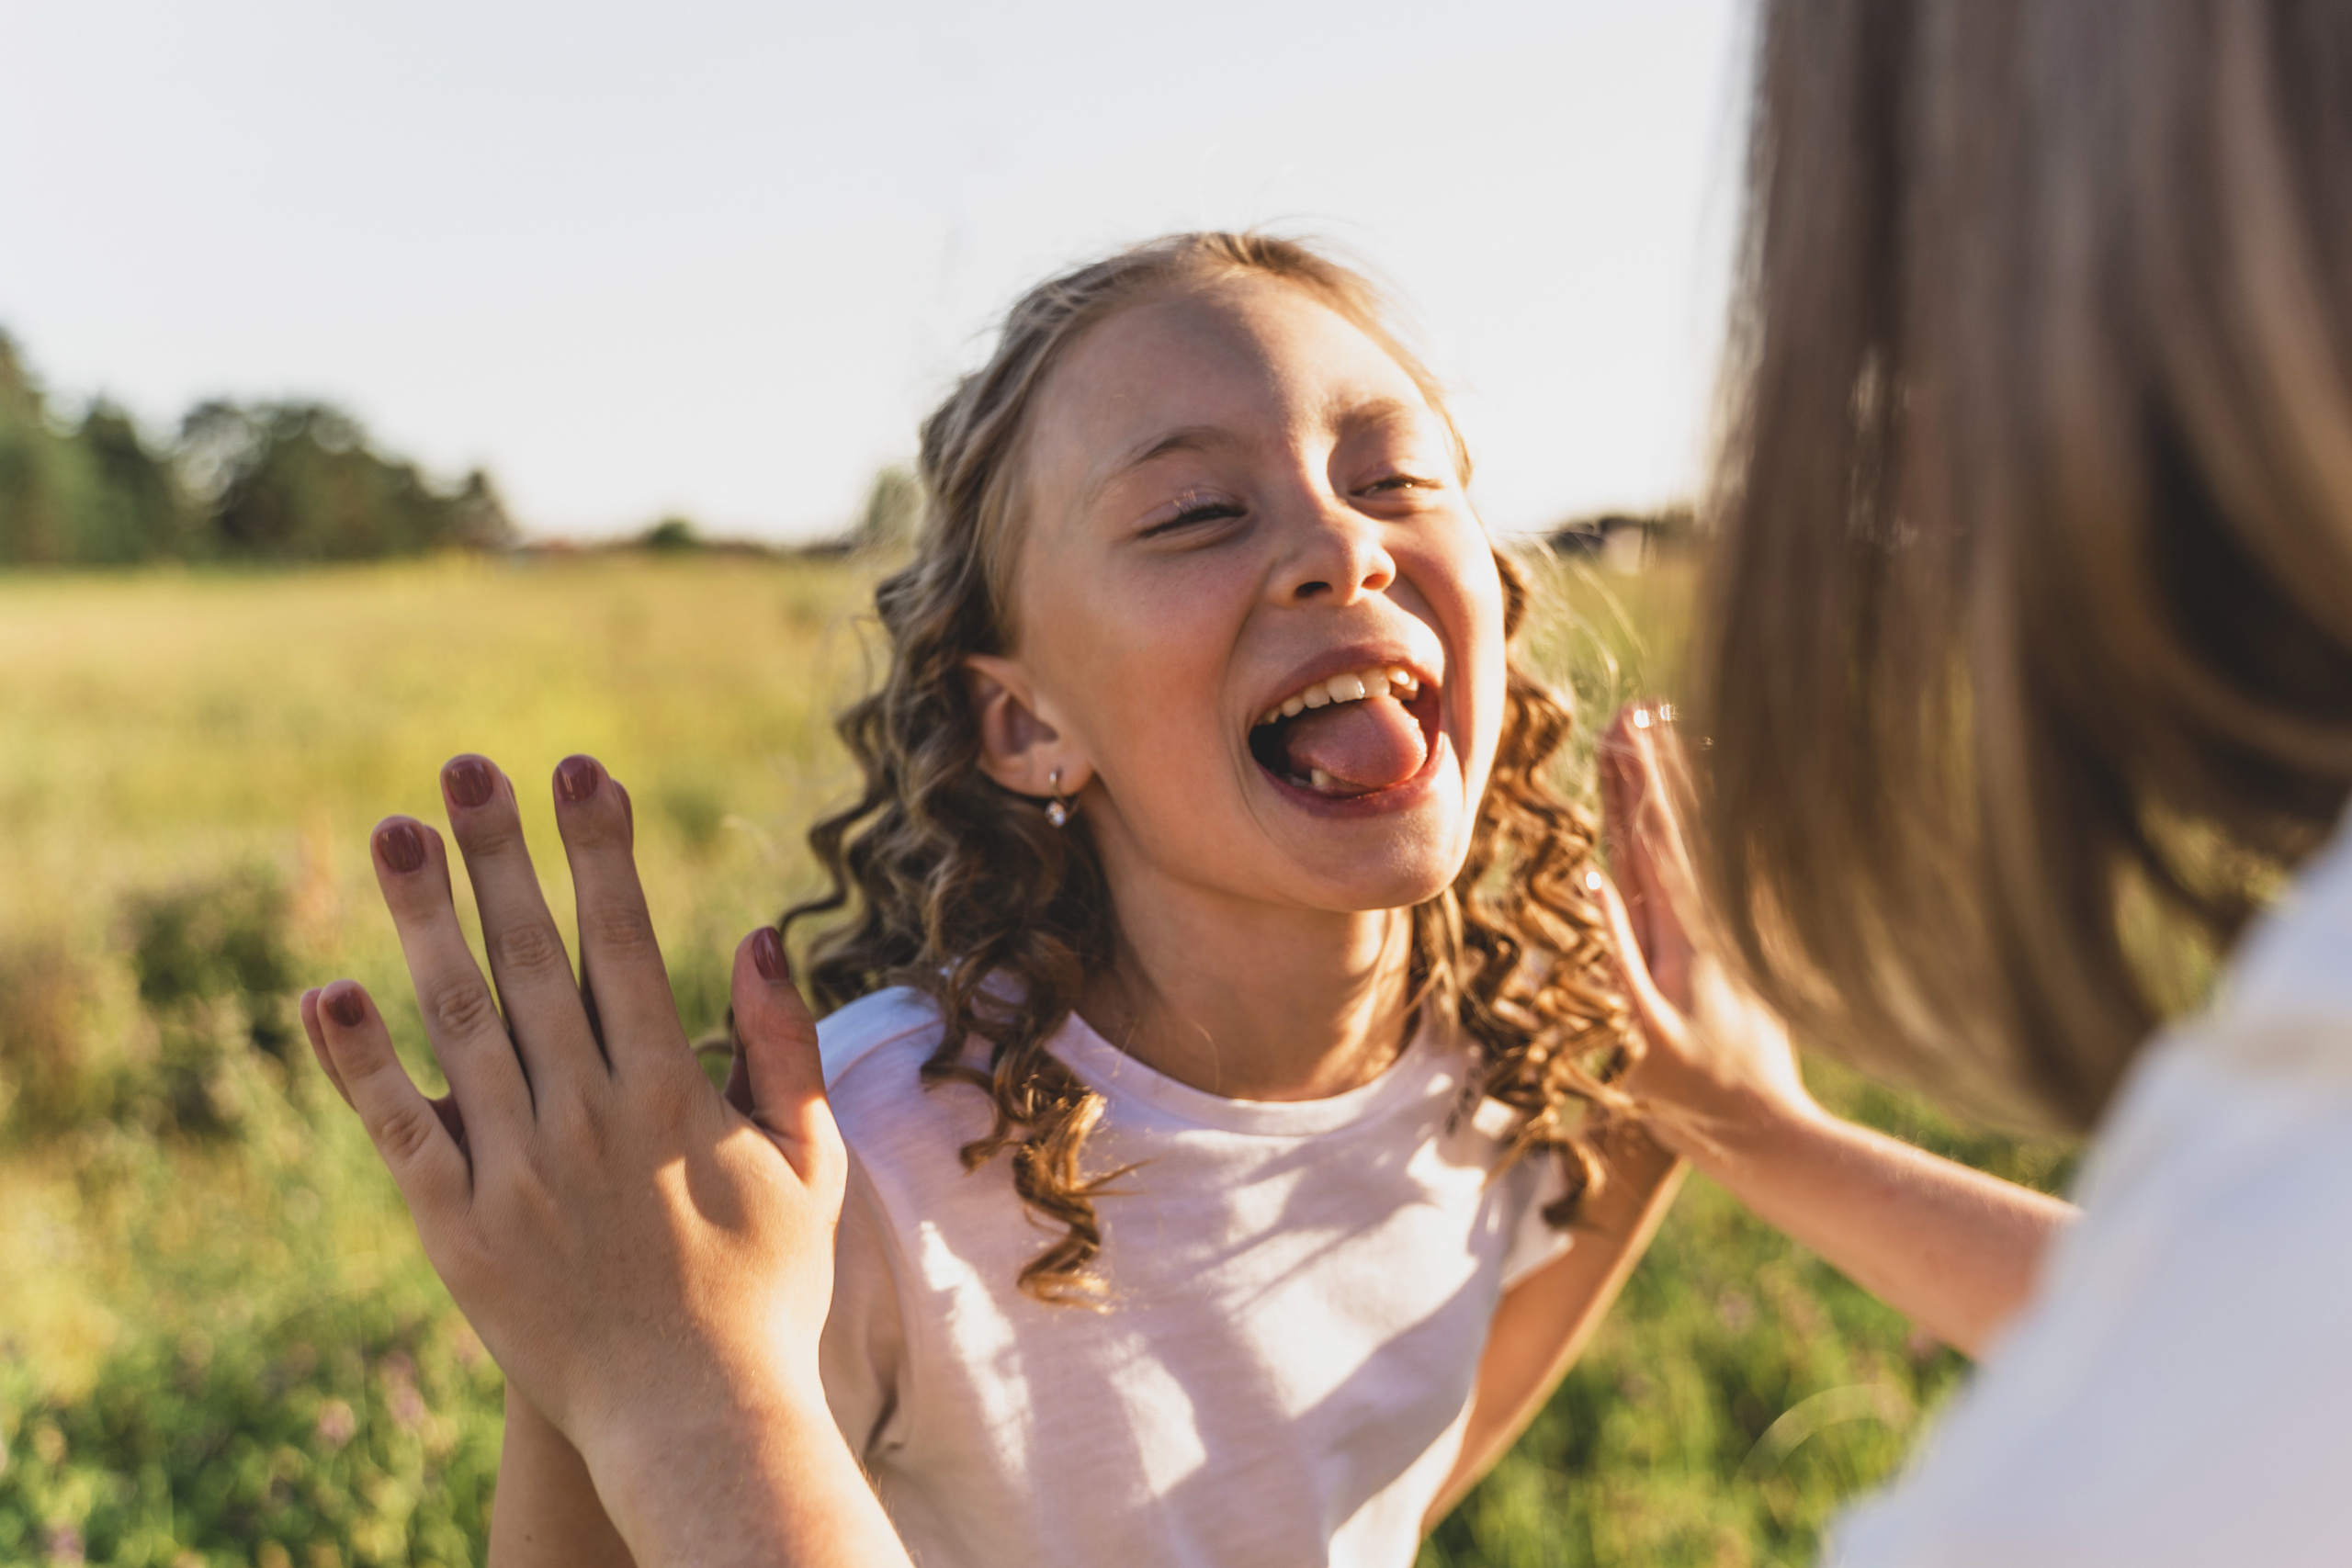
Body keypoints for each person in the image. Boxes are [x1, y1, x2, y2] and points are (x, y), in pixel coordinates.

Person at [309, 232, 1696, 1568]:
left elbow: (1363, 1482)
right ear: (1028, 726)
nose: (1343, 545)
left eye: (1394, 478)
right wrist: (611, 1367)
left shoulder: (1518, 1058)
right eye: (1197, 511)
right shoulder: (861, 1175)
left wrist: (1677, 1115)